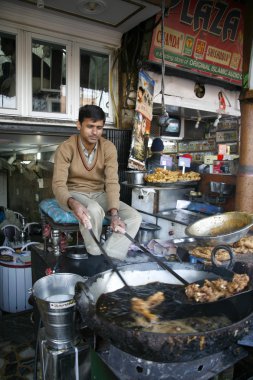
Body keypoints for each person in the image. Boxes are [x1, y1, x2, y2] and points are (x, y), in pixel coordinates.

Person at [52, 104, 142, 261]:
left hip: (99, 194)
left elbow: (112, 182)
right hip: (73, 193)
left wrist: (114, 213)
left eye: (99, 127)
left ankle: (110, 256)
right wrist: (73, 203)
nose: (95, 132)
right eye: (90, 126)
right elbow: (58, 184)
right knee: (93, 209)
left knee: (134, 217)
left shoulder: (108, 148)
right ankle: (94, 254)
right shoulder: (66, 148)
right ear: (79, 125)